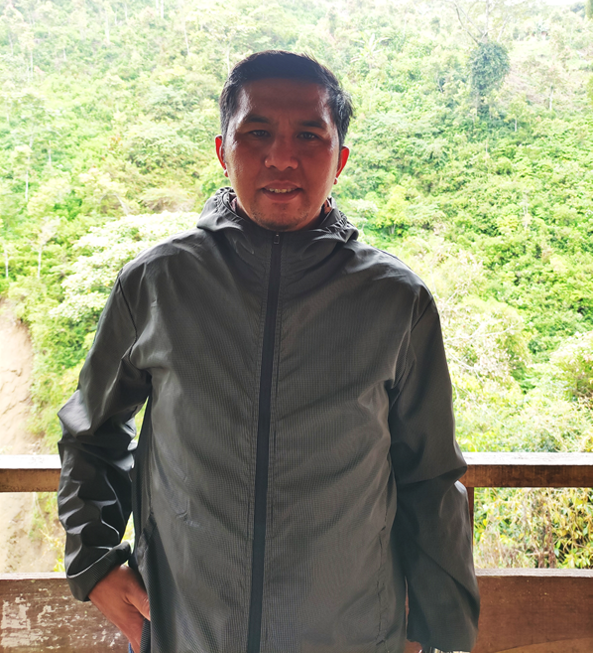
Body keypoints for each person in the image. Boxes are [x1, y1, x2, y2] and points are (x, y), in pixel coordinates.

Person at [57, 50, 480, 653]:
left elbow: (430, 474)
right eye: (256, 133)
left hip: (352, 636)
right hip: (186, 631)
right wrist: (93, 561)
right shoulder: (156, 284)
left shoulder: (396, 300)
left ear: (340, 159)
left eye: (309, 135)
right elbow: (91, 432)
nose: (281, 157)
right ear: (222, 150)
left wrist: (444, 633)